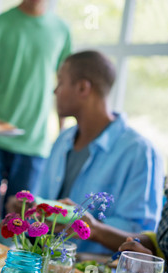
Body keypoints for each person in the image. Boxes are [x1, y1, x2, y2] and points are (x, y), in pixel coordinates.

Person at [34, 50, 165, 254]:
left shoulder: (140, 152)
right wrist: (32, 208)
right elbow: (46, 203)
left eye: (60, 82)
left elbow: (145, 241)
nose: (55, 91)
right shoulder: (63, 140)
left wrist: (94, 229)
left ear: (83, 88)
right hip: (46, 265)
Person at [0, 0, 72, 219]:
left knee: (21, 222)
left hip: (35, 143)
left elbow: (62, 87)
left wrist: (62, 134)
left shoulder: (61, 31)